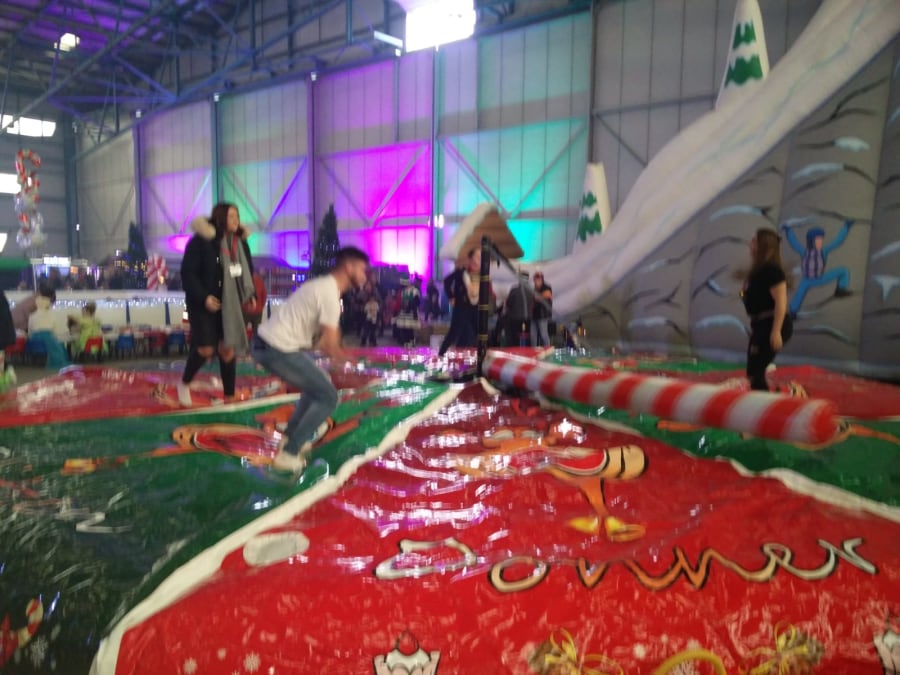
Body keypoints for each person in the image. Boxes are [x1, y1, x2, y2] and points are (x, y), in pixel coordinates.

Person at [252, 246, 370, 473]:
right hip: (277, 348)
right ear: (349, 267)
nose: (365, 276)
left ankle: (290, 439)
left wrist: (342, 355)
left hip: (269, 344)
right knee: (328, 396)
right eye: (362, 269)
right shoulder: (329, 294)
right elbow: (330, 345)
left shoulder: (323, 287)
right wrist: (353, 372)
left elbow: (324, 343)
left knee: (316, 387)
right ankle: (289, 454)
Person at [179, 203, 257, 406]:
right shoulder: (201, 241)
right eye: (231, 216)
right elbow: (188, 274)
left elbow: (247, 271)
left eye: (237, 215)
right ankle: (184, 383)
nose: (236, 220)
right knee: (206, 349)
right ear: (221, 218)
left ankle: (229, 396)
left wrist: (250, 294)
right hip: (202, 304)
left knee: (228, 349)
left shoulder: (240, 243)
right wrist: (204, 297)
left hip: (229, 303)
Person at [741, 228, 793, 391]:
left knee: (756, 371)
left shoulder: (773, 271)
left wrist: (776, 331)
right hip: (760, 325)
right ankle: (763, 400)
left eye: (754, 241)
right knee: (752, 372)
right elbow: (749, 298)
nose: (750, 244)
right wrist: (743, 291)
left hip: (772, 324)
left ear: (764, 246)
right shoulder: (757, 272)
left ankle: (766, 402)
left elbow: (781, 303)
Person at [439, 248, 482, 356]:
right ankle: (441, 353)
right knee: (453, 332)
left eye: (480, 258)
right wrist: (451, 297)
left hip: (474, 307)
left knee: (478, 332)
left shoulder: (482, 275)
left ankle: (480, 355)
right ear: (470, 259)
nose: (478, 261)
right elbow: (447, 281)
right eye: (476, 257)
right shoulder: (461, 273)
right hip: (461, 306)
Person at [27, 293, 71, 370]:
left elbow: (30, 330)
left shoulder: (32, 315)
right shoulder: (52, 314)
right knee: (59, 344)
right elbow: (54, 328)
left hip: (34, 338)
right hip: (48, 336)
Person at [502, 271, 534, 346]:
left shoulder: (514, 290)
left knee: (515, 336)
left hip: (516, 318)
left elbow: (509, 303)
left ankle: (515, 348)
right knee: (527, 335)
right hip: (528, 317)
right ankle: (526, 348)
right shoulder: (531, 291)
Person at [531, 271, 553, 347]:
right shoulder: (534, 289)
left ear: (542, 279)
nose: (536, 281)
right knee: (533, 335)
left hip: (543, 315)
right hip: (534, 314)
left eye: (538, 279)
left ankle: (547, 349)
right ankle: (533, 350)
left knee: (543, 334)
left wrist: (536, 298)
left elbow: (543, 296)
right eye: (535, 279)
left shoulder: (546, 287)